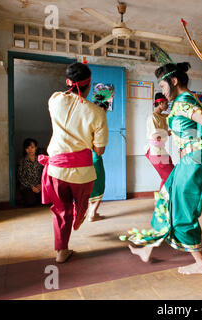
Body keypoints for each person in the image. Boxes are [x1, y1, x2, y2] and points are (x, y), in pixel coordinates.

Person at [120, 62, 202, 275]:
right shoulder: (187, 101)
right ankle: (148, 249)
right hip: (190, 161)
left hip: (194, 162)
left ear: (174, 81)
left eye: (163, 86)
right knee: (166, 200)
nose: (163, 92)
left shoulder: (183, 103)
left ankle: (201, 264)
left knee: (182, 212)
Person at [39, 62, 108, 263]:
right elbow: (99, 150)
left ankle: (61, 251)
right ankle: (81, 213)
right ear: (89, 84)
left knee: (61, 210)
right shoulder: (97, 112)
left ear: (68, 82)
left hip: (56, 170)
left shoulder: (55, 100)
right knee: (80, 204)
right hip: (82, 174)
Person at [86, 86, 113, 222]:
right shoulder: (101, 119)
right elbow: (99, 149)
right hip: (95, 157)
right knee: (100, 185)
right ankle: (92, 213)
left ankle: (88, 212)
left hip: (84, 157)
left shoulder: (86, 118)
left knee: (88, 185)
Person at [145, 92, 174, 190]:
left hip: (161, 149)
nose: (167, 105)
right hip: (155, 151)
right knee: (169, 177)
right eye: (166, 103)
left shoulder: (163, 116)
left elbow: (173, 115)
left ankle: (163, 201)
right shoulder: (152, 117)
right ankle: (161, 202)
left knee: (171, 175)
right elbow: (156, 137)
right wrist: (169, 132)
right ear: (160, 103)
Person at [17, 138, 43, 206]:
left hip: (39, 186)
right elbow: (20, 177)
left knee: (43, 201)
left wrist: (41, 184)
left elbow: (43, 174)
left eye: (32, 147)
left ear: (36, 148)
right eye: (27, 148)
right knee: (31, 202)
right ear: (25, 149)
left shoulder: (40, 160)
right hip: (27, 187)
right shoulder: (22, 161)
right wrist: (31, 187)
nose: (30, 150)